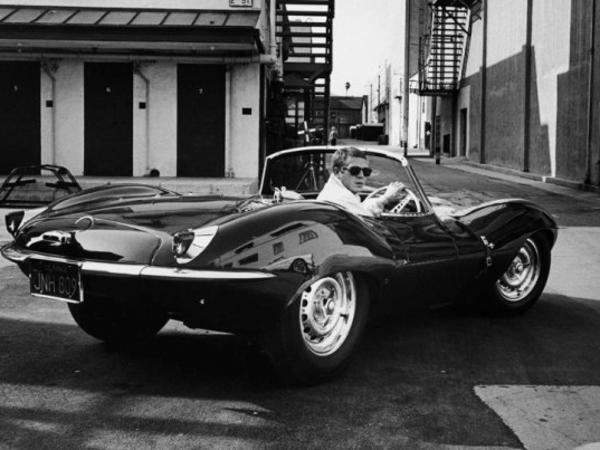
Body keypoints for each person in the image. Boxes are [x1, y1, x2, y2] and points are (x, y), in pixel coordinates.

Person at [317, 147, 405, 217]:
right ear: (337, 171)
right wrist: (385, 198)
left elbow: (360, 208)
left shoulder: (336, 191)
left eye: (366, 171)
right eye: (354, 170)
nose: (361, 175)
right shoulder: (340, 197)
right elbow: (368, 224)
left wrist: (384, 199)